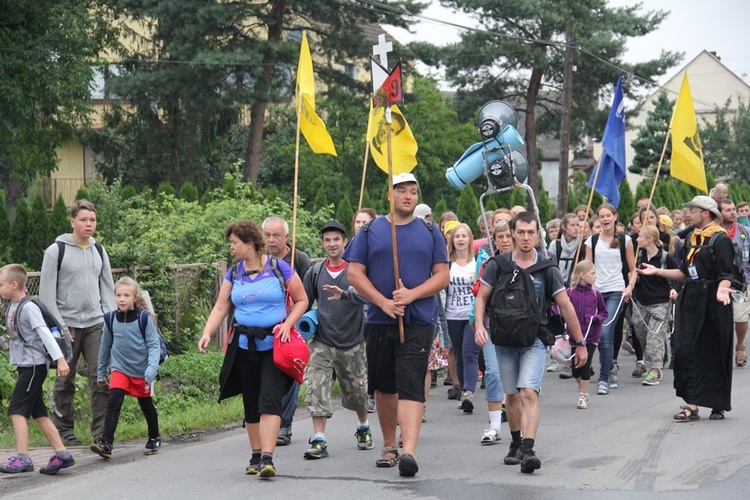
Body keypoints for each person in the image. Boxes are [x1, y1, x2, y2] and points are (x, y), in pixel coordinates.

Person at [343, 172, 449, 477]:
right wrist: (383, 302)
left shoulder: (430, 231)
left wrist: (411, 295)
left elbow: (441, 275)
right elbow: (355, 274)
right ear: (389, 195)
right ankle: (389, 444)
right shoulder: (371, 231)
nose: (407, 196)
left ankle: (409, 451)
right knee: (386, 385)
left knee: (411, 382)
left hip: (418, 320)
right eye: (401, 190)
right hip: (379, 319)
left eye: (412, 191)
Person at [474, 211, 587, 473]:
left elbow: (565, 305)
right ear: (513, 233)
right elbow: (481, 298)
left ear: (538, 235)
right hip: (502, 339)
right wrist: (480, 326)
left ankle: (528, 449)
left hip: (535, 339)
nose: (526, 237)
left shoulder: (547, 269)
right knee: (511, 394)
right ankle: (515, 444)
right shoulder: (498, 265)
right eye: (521, 232)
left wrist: (579, 342)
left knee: (528, 392)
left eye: (531, 232)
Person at [198, 220, 308, 478]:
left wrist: (288, 324)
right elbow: (221, 307)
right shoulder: (234, 272)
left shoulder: (279, 268)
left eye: (235, 242)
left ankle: (268, 458)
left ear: (250, 243)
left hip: (274, 346)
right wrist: (207, 332)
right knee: (251, 403)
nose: (231, 247)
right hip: (244, 346)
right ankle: (256, 454)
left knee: (269, 400)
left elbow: (302, 299)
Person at [640, 196, 739, 421]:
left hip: (714, 301)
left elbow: (728, 274)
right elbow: (684, 273)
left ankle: (717, 404)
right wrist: (658, 272)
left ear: (706, 213)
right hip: (691, 299)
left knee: (714, 350)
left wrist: (723, 288)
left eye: (692, 210)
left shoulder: (720, 239)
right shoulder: (691, 239)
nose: (688, 214)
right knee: (686, 350)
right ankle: (691, 404)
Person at [40, 199, 116, 446]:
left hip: (96, 324)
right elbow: (46, 296)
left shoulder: (99, 251)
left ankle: (101, 434)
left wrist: (111, 322)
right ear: (72, 221)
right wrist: (59, 327)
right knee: (64, 380)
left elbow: (107, 290)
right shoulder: (56, 251)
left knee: (101, 377)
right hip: (67, 326)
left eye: (92, 220)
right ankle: (65, 432)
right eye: (83, 220)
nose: (88, 224)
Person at [302, 221, 372, 460]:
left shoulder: (355, 270)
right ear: (322, 244)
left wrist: (346, 294)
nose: (332, 244)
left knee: (357, 394)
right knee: (316, 389)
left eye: (336, 239)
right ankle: (319, 439)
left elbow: (368, 297)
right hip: (322, 341)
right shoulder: (315, 272)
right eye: (327, 240)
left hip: (352, 341)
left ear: (345, 242)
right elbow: (304, 301)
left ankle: (363, 427)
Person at [0, 264, 75, 475]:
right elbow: (18, 337)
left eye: (0, 285)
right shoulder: (12, 306)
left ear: (14, 285)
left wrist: (60, 360)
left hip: (34, 366)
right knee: (38, 412)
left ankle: (23, 458)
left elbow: (44, 334)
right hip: (25, 366)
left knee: (16, 409)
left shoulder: (28, 307)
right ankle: (62, 455)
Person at [90, 277, 161, 459]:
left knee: (146, 405)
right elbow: (105, 346)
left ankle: (154, 437)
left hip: (142, 370)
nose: (122, 299)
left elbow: (154, 346)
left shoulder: (144, 318)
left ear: (135, 297)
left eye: (126, 295)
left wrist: (150, 371)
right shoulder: (111, 318)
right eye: (118, 295)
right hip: (120, 368)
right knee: (113, 402)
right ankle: (106, 444)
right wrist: (101, 372)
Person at [262, 216, 312, 447]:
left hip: (291, 324)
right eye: (268, 235)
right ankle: (262, 418)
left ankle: (284, 425)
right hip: (264, 327)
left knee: (289, 373)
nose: (272, 240)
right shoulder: (258, 261)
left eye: (277, 236)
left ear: (286, 237)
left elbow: (307, 296)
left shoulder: (299, 260)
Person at [584, 204, 636, 396]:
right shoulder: (592, 240)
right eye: (601, 216)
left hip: (616, 290)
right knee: (601, 332)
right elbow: (588, 267)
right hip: (596, 292)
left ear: (615, 217)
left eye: (608, 216)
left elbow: (632, 269)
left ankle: (603, 377)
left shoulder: (625, 240)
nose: (605, 219)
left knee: (605, 331)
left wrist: (629, 286)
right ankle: (610, 367)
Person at [470, 220, 513, 446]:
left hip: (519, 330)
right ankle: (494, 426)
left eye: (508, 236)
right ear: (493, 240)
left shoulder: (529, 262)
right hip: (491, 326)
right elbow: (479, 296)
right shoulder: (489, 264)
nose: (505, 240)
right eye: (500, 237)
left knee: (518, 382)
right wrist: (477, 324)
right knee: (494, 374)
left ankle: (521, 430)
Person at [630, 225, 678, 386]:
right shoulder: (638, 256)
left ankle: (655, 370)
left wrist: (674, 290)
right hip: (641, 301)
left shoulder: (665, 258)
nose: (637, 239)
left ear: (650, 239)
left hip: (660, 302)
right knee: (640, 331)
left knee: (655, 336)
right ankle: (651, 359)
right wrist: (629, 287)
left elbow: (678, 276)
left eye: (640, 237)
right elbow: (631, 273)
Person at [444, 223, 478, 413]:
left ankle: (468, 392)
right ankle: (464, 389)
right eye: (457, 236)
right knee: (458, 354)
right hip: (452, 315)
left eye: (464, 236)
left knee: (469, 353)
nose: (461, 239)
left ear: (470, 239)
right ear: (452, 240)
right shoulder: (447, 264)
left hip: (471, 316)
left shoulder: (477, 263)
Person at [566, 261, 608, 409]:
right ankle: (583, 384)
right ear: (582, 275)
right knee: (575, 369)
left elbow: (604, 313)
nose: (595, 276)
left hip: (591, 335)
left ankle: (583, 395)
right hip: (574, 336)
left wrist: (595, 318)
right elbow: (559, 308)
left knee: (584, 364)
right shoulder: (569, 293)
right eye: (592, 273)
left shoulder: (596, 295)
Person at [718, 199, 750, 368]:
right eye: (728, 210)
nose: (733, 212)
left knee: (739, 316)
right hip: (719, 281)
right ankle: (720, 350)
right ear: (719, 213)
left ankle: (740, 345)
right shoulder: (714, 232)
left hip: (741, 281)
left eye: (733, 209)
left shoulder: (745, 231)